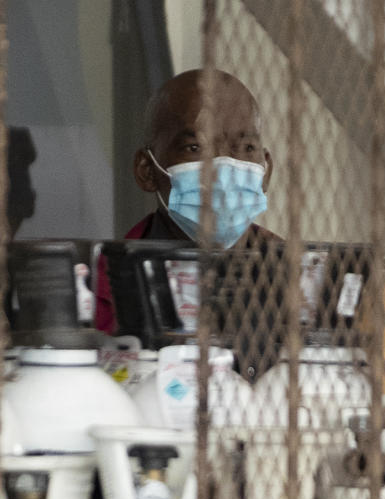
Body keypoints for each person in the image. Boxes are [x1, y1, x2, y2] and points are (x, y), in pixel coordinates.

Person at [95, 68, 285, 380]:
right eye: (195, 148)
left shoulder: (300, 280)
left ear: (266, 170)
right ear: (147, 170)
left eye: (246, 148)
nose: (222, 166)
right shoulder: (99, 286)